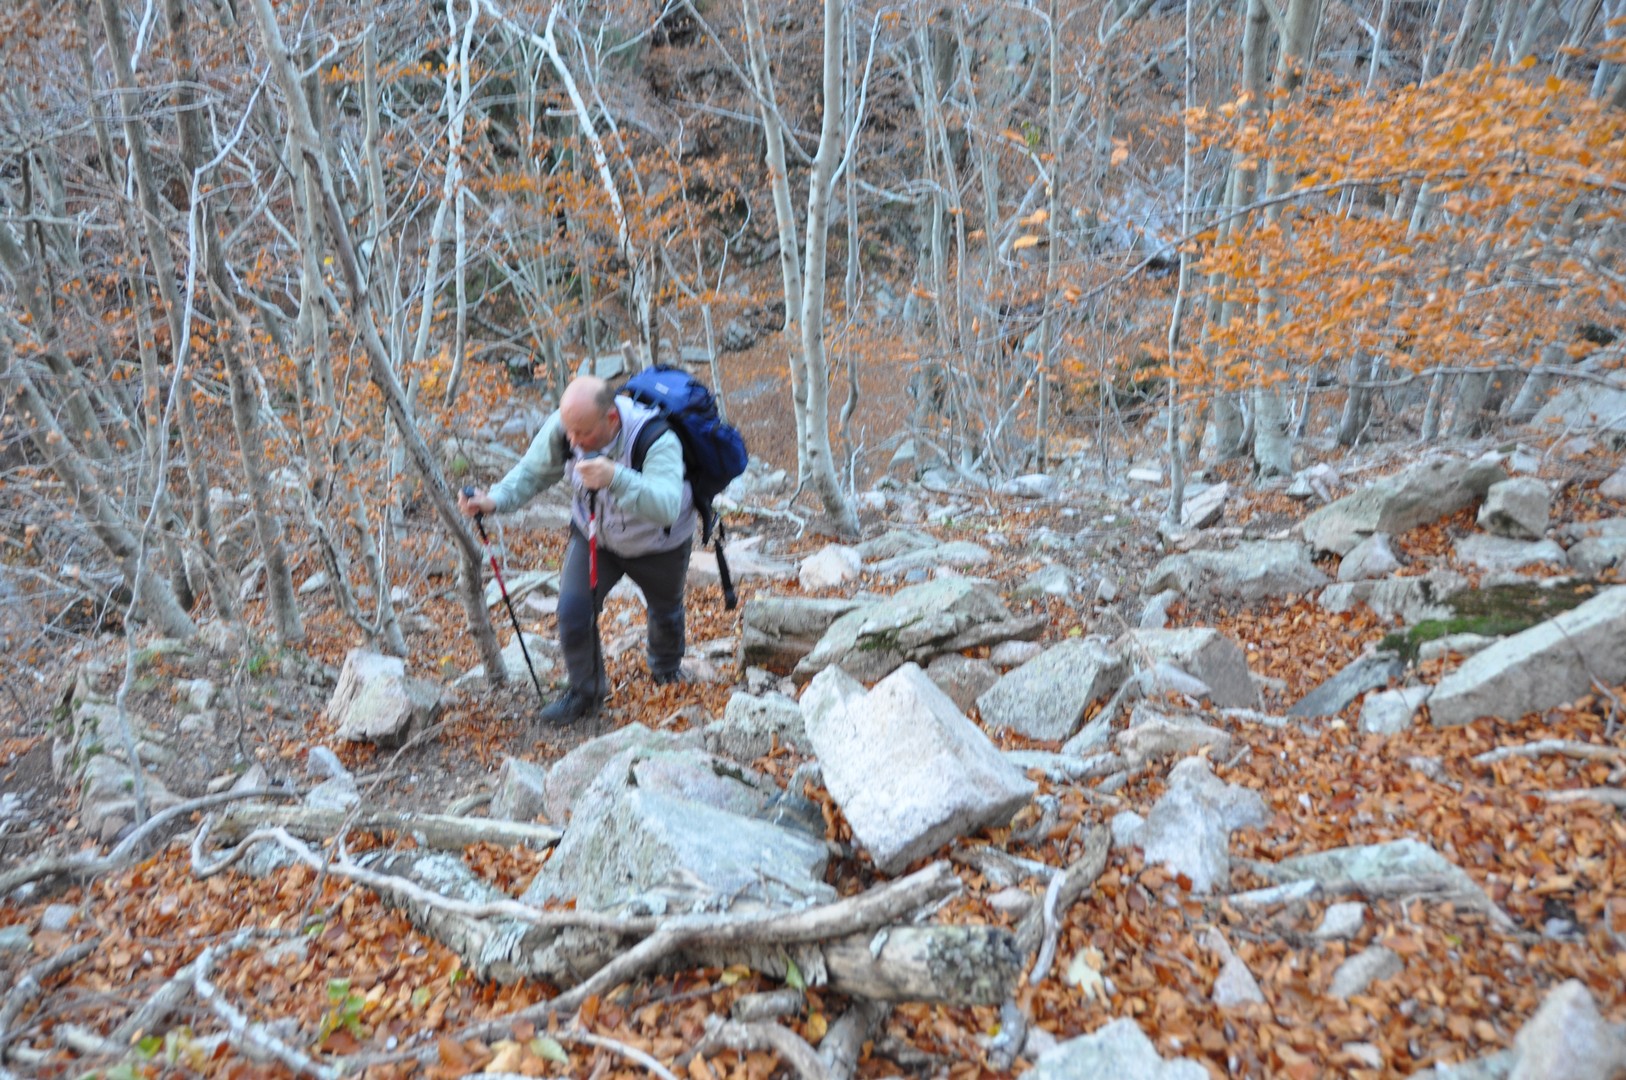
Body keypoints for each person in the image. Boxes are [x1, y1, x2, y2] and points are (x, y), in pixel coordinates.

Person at [458, 375, 694, 724]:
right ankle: (586, 693)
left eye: (582, 433)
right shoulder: (565, 427)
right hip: (594, 534)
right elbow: (532, 473)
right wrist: (493, 500)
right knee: (572, 611)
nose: (572, 440)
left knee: (665, 610)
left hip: (659, 543)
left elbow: (666, 506)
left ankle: (665, 669)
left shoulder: (655, 438)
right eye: (570, 431)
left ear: (611, 419)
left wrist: (615, 477)